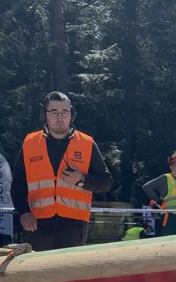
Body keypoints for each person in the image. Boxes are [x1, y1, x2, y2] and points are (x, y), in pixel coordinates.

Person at [10, 91, 112, 251]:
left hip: (74, 226)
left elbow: (106, 182)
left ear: (71, 115)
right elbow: (17, 185)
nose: (60, 117)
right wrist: (23, 213)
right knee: (41, 274)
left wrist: (82, 180)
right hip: (38, 225)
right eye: (54, 112)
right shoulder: (30, 143)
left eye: (65, 112)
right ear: (45, 115)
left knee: (69, 275)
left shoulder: (86, 143)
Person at [142, 151, 176, 235]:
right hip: (169, 216)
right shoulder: (165, 178)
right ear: (171, 167)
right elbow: (146, 187)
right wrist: (158, 201)